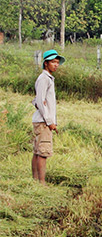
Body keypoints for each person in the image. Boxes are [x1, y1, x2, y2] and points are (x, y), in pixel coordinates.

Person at [32, 49, 64, 184]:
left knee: (37, 151)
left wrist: (38, 103)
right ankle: (42, 182)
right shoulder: (44, 78)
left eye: (57, 62)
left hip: (42, 120)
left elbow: (38, 100)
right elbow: (40, 100)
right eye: (53, 62)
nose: (55, 65)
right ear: (46, 63)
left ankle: (35, 180)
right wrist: (50, 122)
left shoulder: (48, 79)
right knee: (43, 152)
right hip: (43, 121)